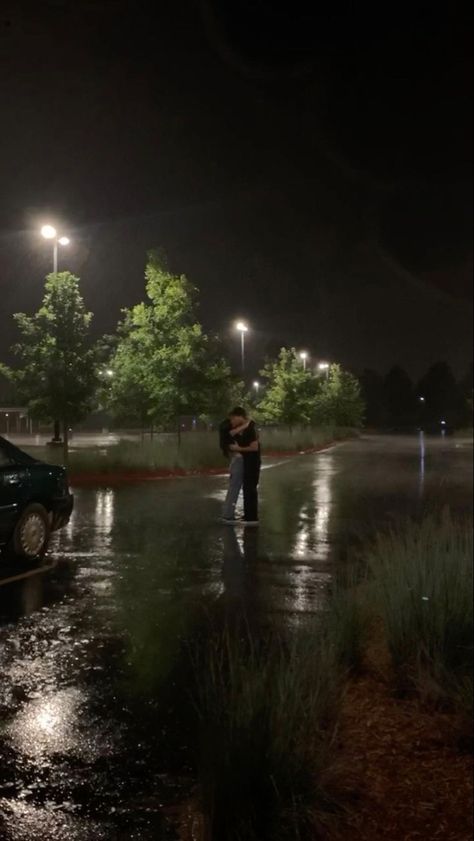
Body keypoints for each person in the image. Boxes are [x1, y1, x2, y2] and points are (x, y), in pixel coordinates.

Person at [228, 407, 261, 526]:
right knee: (247, 489)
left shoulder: (251, 429)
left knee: (250, 488)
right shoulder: (245, 428)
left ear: (239, 416)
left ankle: (252, 518)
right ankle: (248, 515)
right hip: (246, 462)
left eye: (233, 419)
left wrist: (238, 449)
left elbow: (254, 447)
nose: (232, 422)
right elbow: (231, 434)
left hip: (252, 462)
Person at [219, 414, 246, 523]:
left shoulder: (226, 439)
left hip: (236, 460)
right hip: (238, 461)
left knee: (233, 489)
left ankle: (227, 514)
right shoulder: (231, 438)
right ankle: (227, 515)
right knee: (234, 489)